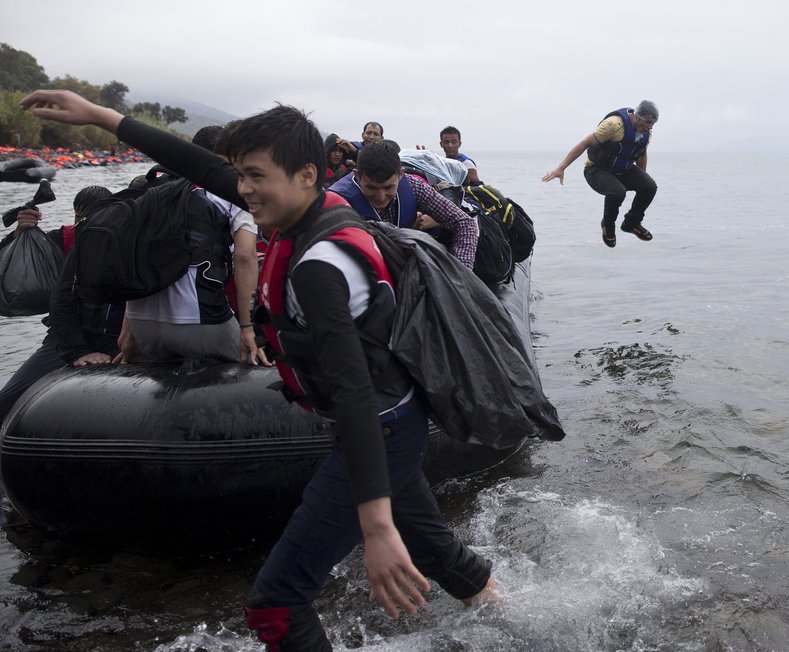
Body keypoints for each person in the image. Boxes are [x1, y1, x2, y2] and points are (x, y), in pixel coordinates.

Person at [21, 89, 497, 651]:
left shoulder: (321, 265)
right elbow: (198, 164)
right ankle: (508, 618)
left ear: (305, 174)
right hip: (392, 422)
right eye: (240, 175)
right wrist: (103, 117)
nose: (243, 188)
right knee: (435, 548)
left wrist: (374, 527)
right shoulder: (311, 207)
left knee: (275, 605)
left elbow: (354, 392)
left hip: (377, 425)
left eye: (255, 176)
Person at [115, 125, 269, 366]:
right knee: (247, 361)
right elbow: (245, 257)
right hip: (198, 319)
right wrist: (248, 329)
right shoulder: (233, 191)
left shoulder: (151, 189)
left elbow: (137, 259)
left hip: (142, 322)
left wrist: (129, 329)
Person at [0, 185, 121, 428]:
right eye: (79, 217)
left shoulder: (129, 243)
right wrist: (18, 234)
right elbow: (11, 261)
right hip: (62, 340)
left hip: (116, 340)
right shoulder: (60, 240)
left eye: (91, 216)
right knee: (6, 401)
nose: (84, 223)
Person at [328, 141, 479, 269]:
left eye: (388, 187)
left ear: (400, 175)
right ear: (358, 175)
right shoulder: (336, 201)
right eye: (371, 188)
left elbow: (464, 223)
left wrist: (461, 274)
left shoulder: (413, 186)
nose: (380, 197)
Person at [542, 100, 659, 248]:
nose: (649, 127)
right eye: (647, 122)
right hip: (596, 170)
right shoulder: (613, 125)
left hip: (623, 170)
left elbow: (641, 153)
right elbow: (584, 144)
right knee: (617, 192)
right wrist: (561, 168)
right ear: (636, 117)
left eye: (653, 124)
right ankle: (608, 226)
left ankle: (631, 223)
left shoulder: (646, 131)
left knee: (649, 186)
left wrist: (642, 178)